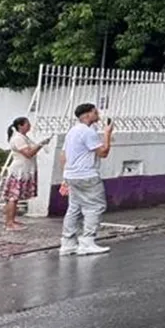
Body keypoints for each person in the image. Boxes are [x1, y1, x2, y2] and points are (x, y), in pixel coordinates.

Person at [59, 103, 113, 256]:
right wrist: (107, 134)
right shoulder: (88, 132)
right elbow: (103, 152)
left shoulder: (72, 132)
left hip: (72, 175)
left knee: (74, 209)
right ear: (88, 114)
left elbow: (63, 155)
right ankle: (87, 241)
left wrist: (64, 176)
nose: (98, 115)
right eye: (95, 112)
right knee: (95, 206)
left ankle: (67, 243)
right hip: (87, 175)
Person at [2, 117, 50, 231]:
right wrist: (40, 144)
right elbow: (28, 153)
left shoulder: (23, 137)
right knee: (13, 197)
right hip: (19, 171)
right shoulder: (18, 138)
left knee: (14, 197)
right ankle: (10, 223)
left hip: (24, 170)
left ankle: (11, 220)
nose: (29, 126)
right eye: (27, 124)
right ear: (20, 125)